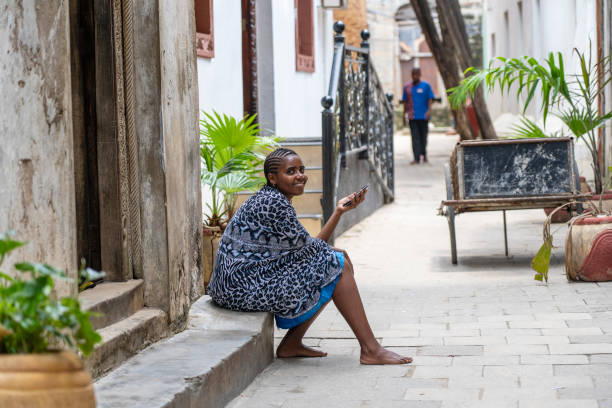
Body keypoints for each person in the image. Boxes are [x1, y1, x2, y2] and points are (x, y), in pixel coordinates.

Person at [208, 148, 412, 365]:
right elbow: (312, 250)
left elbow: (309, 249)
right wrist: (337, 215)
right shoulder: (273, 203)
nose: (300, 176)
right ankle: (371, 349)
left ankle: (292, 343)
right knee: (335, 266)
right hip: (239, 288)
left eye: (302, 169)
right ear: (272, 178)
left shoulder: (272, 197)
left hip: (241, 281)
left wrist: (339, 212)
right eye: (291, 171)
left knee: (334, 261)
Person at [402, 67, 434, 164]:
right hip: (412, 116)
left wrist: (428, 111)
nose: (415, 76)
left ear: (420, 74)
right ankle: (416, 158)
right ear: (411, 75)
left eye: (417, 74)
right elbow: (405, 102)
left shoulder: (426, 86)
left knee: (423, 137)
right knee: (415, 137)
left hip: (424, 116)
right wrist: (404, 115)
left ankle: (424, 155)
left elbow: (430, 99)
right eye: (413, 74)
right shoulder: (407, 87)